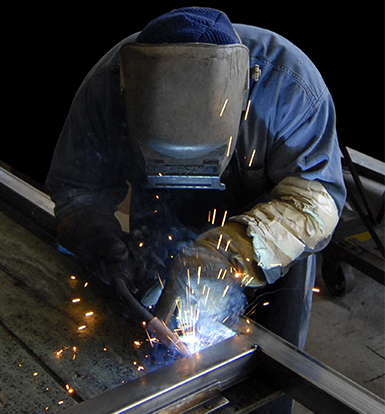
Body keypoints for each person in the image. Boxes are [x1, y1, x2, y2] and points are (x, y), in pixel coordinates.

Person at [46, 8, 346, 413]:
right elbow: (77, 188)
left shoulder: (289, 87)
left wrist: (228, 252)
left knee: (268, 379)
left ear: (244, 94)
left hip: (270, 235)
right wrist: (94, 235)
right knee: (143, 354)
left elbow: (315, 202)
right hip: (158, 216)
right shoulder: (108, 83)